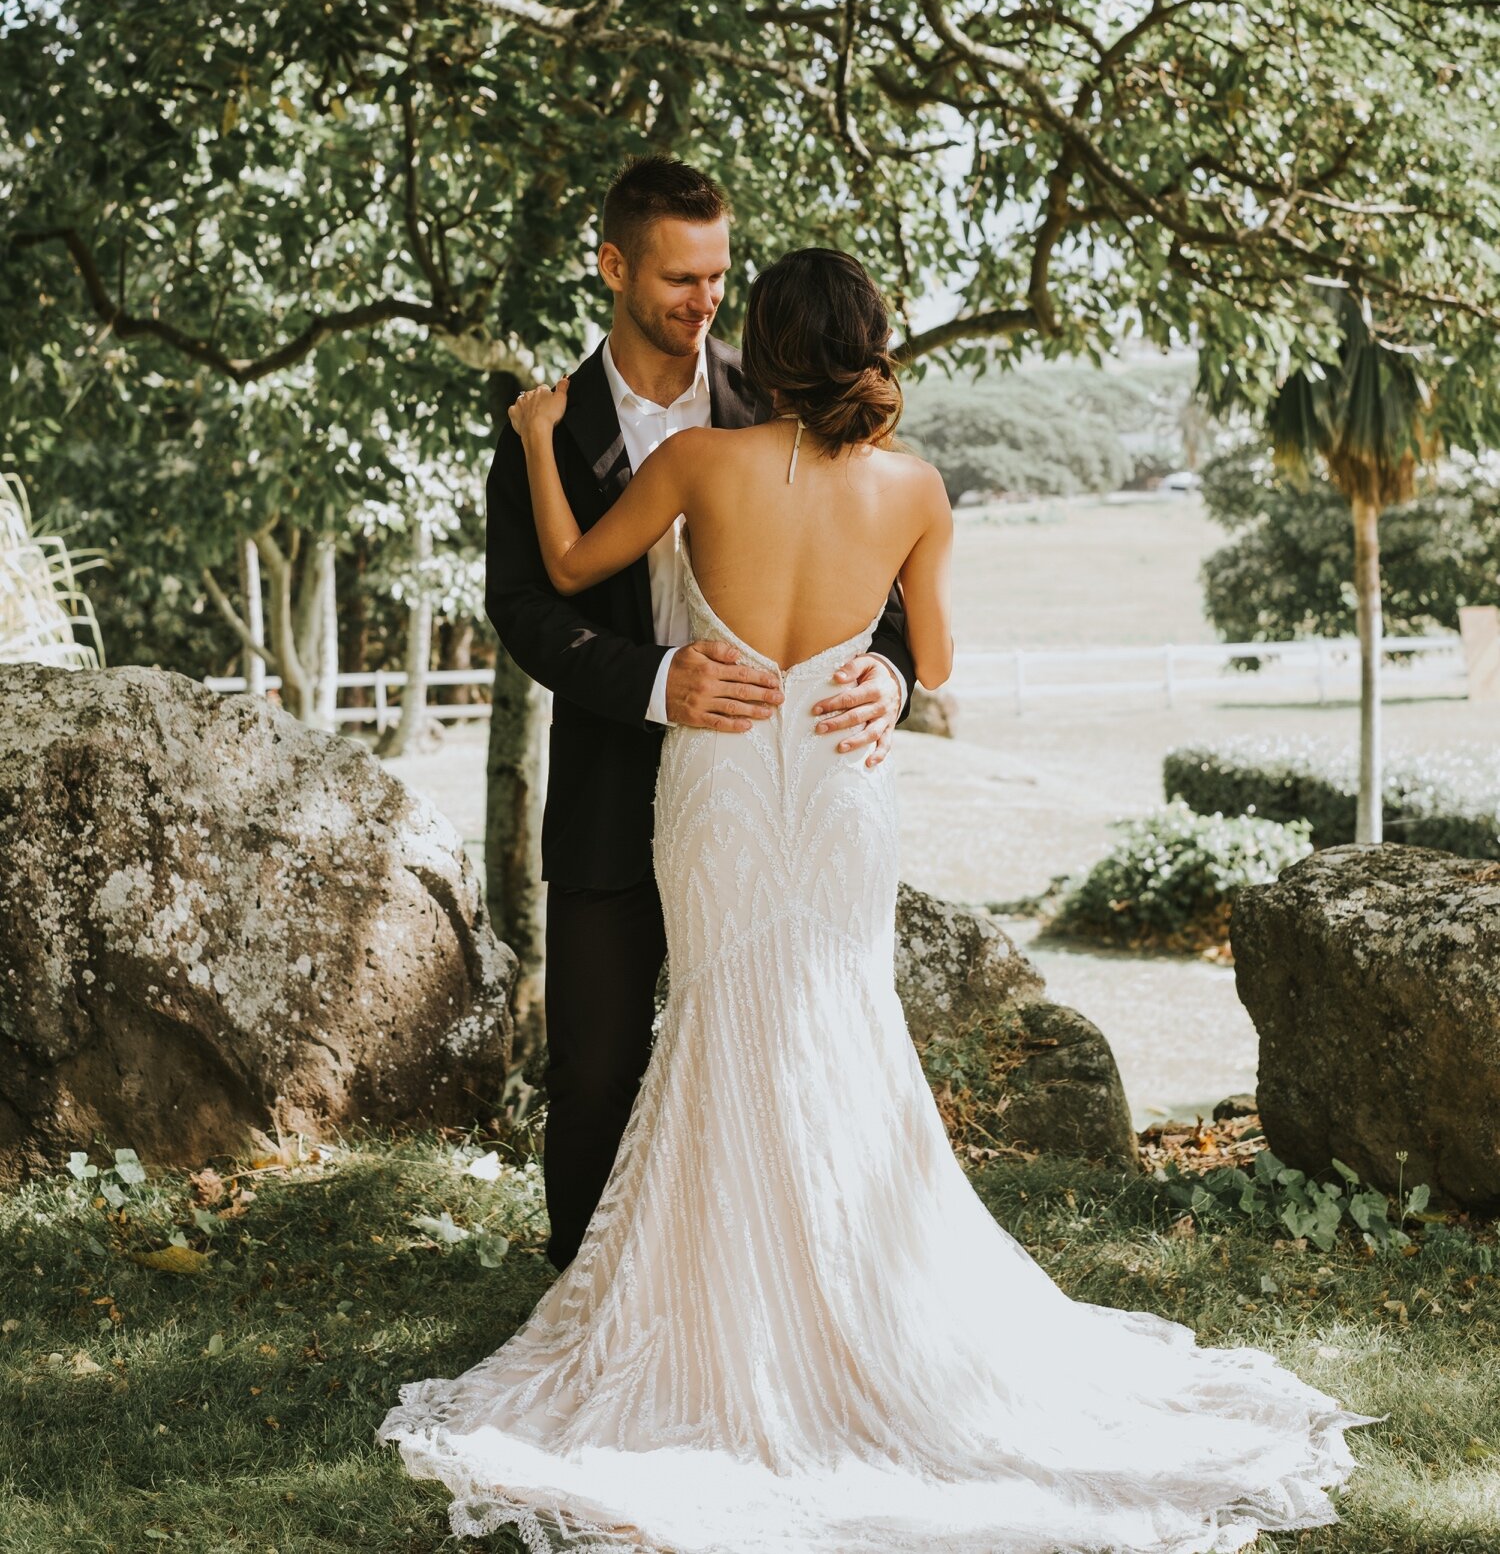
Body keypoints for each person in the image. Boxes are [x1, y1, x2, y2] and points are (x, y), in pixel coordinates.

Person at [380, 246, 1371, 1554]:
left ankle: (740, 1321)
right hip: (841, 784)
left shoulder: (697, 466)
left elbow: (566, 567)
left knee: (724, 1019)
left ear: (768, 353)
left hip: (726, 780)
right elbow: (939, 656)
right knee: (840, 1020)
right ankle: (861, 1303)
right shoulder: (914, 486)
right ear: (870, 350)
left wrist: (532, 431)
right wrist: (883, 670)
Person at [482, 157, 915, 1270]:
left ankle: (789, 1284)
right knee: (596, 1068)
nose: (706, 300)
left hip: (779, 793)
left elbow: (890, 579)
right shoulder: (544, 425)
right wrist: (653, 679)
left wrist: (892, 677)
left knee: (785, 1050)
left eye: (721, 276)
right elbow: (527, 607)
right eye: (681, 278)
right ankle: (586, 1301)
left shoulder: (781, 392)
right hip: (615, 793)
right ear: (614, 267)